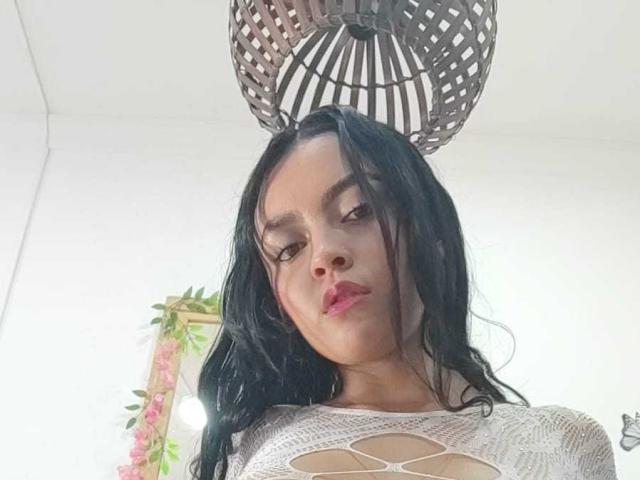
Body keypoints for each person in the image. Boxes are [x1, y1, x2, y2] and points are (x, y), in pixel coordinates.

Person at [190, 105, 617, 479]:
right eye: (289, 249)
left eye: (358, 210)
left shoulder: (568, 442)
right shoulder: (252, 443)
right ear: (278, 304)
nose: (323, 255)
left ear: (431, 233)